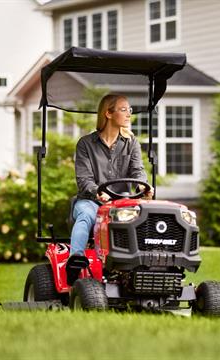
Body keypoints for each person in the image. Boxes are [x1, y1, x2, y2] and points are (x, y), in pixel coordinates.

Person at [66, 94, 153, 284]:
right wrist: (98, 192)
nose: (129, 114)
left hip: (121, 204)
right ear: (108, 113)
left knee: (145, 219)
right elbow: (84, 179)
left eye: (129, 110)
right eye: (123, 109)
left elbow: (138, 171)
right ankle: (75, 260)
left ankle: (147, 267)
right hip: (91, 201)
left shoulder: (131, 143)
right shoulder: (85, 144)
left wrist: (142, 185)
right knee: (87, 216)